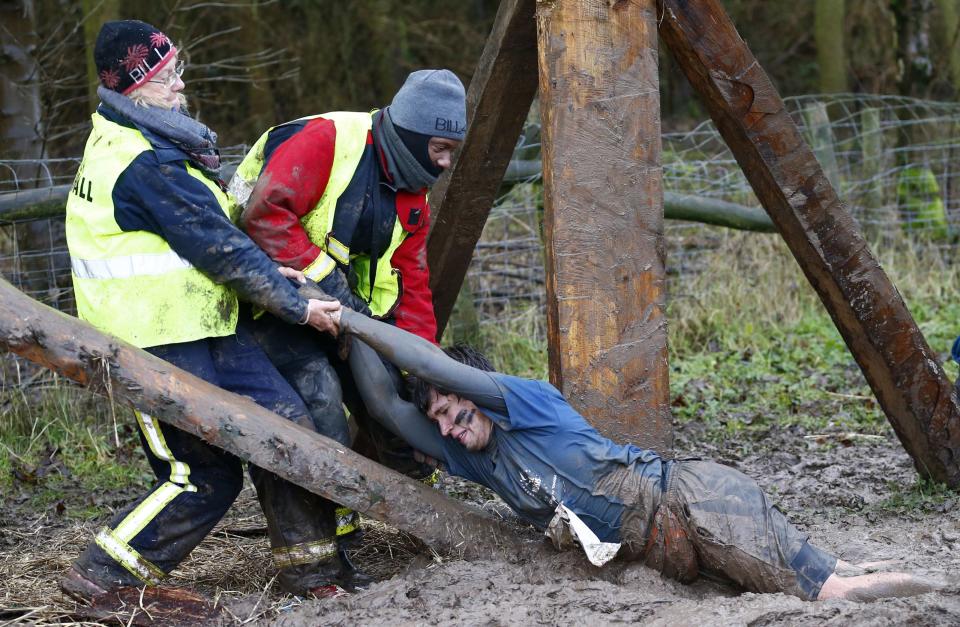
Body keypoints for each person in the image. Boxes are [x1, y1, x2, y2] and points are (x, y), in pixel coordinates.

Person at [309, 298, 939, 602]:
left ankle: (940, 590)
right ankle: (898, 579)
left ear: (471, 391)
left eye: (451, 409)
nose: (448, 428)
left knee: (828, 593)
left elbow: (427, 363)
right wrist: (343, 316)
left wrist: (358, 322)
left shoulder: (521, 400)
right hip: (666, 557)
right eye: (441, 421)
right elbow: (391, 411)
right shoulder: (475, 456)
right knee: (815, 579)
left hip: (692, 501)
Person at [61, 20, 358, 601]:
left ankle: (313, 571)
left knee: (284, 432)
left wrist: (278, 275)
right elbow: (221, 252)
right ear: (132, 86)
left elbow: (215, 237)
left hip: (207, 325)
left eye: (178, 72)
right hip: (150, 341)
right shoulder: (146, 162)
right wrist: (300, 307)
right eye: (165, 76)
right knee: (203, 475)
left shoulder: (154, 142)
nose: (179, 86)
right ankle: (103, 577)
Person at [227, 70, 466, 576]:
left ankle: (434, 524)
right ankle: (327, 541)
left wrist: (422, 365)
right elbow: (265, 217)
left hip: (341, 312)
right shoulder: (326, 141)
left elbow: (410, 279)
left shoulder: (411, 187)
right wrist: (337, 299)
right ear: (415, 137)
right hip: (261, 296)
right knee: (318, 401)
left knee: (396, 402)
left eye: (452, 151)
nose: (446, 164)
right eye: (441, 149)